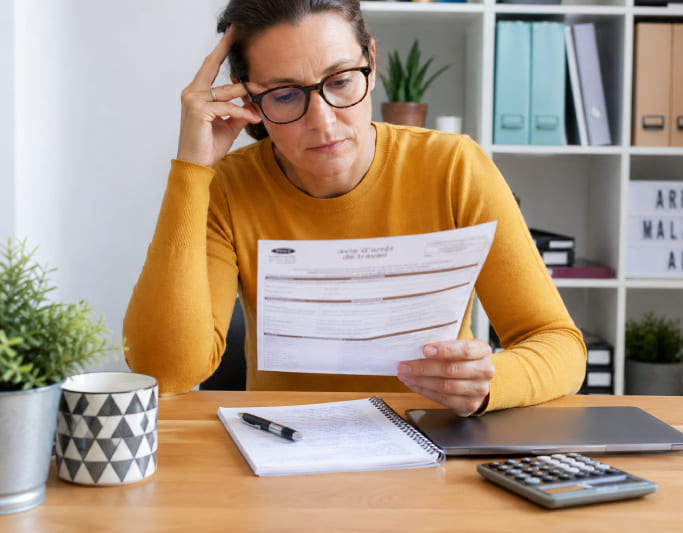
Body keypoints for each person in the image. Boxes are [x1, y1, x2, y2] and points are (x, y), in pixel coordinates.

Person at [123, 0, 586, 416]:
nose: (323, 122)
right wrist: (191, 169)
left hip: (435, 446)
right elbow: (165, 372)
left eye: (341, 81)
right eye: (285, 95)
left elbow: (560, 345)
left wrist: (489, 384)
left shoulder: (453, 167)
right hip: (283, 453)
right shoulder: (229, 186)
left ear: (372, 62)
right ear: (249, 101)